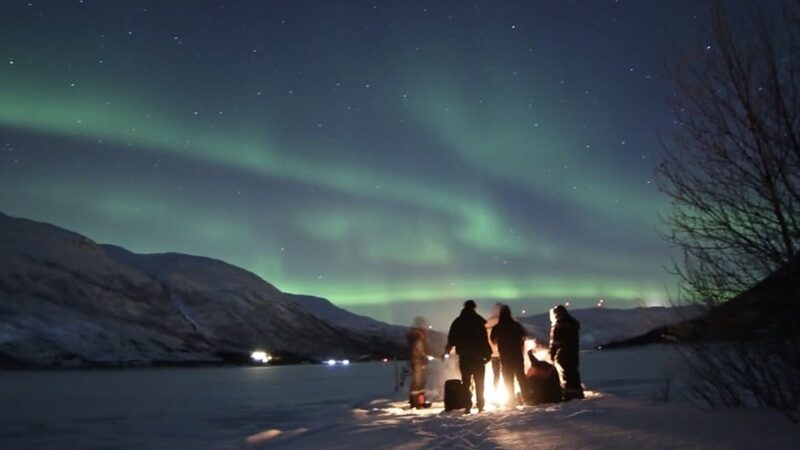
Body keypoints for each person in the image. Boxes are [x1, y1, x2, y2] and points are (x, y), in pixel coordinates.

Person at [444, 300, 492, 412]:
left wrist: (447, 351)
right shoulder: (478, 322)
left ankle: (467, 405)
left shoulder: (458, 322)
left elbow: (452, 339)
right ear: (474, 308)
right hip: (478, 358)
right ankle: (480, 405)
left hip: (465, 357)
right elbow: (483, 340)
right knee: (480, 383)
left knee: (466, 382)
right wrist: (488, 354)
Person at [490, 305, 527, 407]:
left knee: (508, 379)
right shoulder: (516, 325)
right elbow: (524, 335)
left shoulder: (498, 327)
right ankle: (527, 397)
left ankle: (511, 400)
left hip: (505, 357)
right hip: (517, 355)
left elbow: (493, 339)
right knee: (521, 377)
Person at [549, 304, 584, 400]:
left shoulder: (559, 324)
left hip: (563, 354)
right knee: (573, 373)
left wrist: (551, 354)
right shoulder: (573, 324)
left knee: (566, 375)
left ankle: (569, 395)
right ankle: (578, 393)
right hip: (573, 354)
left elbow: (555, 342)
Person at [407, 316, 431, 408]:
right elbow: (419, 348)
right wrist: (424, 358)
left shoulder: (415, 334)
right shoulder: (417, 335)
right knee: (418, 382)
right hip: (418, 361)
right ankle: (415, 402)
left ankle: (420, 401)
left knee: (420, 383)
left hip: (416, 360)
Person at [484, 303, 503, 389]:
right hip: (505, 352)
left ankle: (496, 389)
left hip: (492, 353)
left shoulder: (487, 322)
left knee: (496, 374)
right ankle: (509, 392)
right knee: (508, 373)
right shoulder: (506, 321)